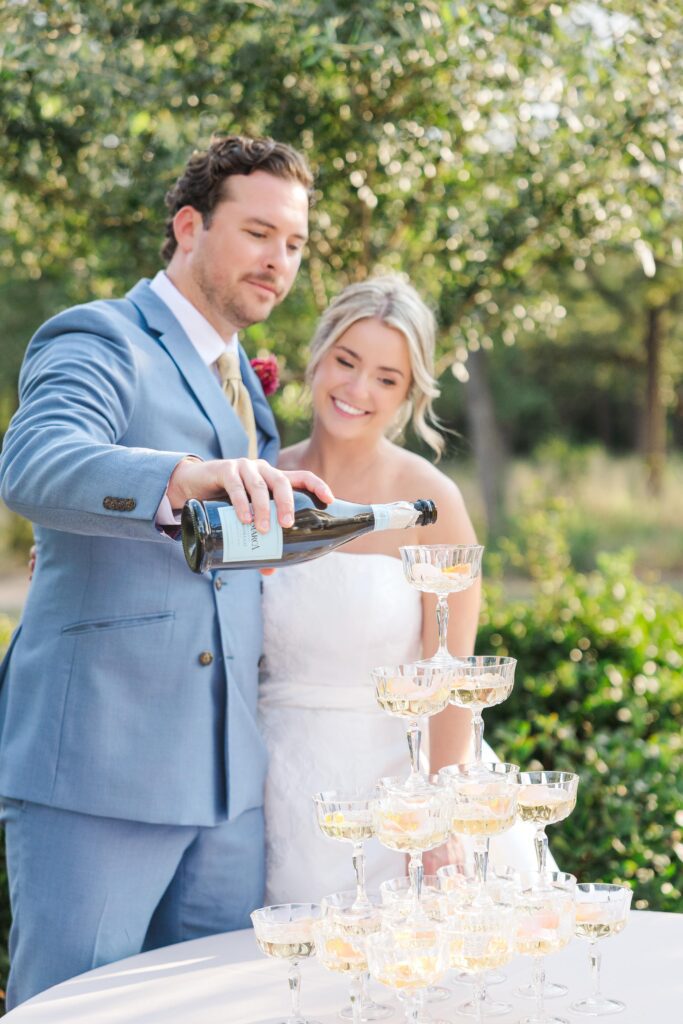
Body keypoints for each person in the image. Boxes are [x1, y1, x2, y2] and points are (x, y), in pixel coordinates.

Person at [0, 134, 333, 1008]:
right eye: (258, 233)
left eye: (294, 243)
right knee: (72, 1011)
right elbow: (34, 462)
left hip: (228, 788)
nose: (279, 260)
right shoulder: (99, 336)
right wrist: (180, 476)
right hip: (99, 768)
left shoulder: (244, 383)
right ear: (189, 227)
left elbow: (225, 556)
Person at [258, 276, 539, 903]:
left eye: (386, 379)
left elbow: (452, 673)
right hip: (275, 782)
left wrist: (440, 809)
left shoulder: (432, 501)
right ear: (317, 356)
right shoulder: (263, 483)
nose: (358, 390)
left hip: (402, 788)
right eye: (346, 362)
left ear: (409, 393)